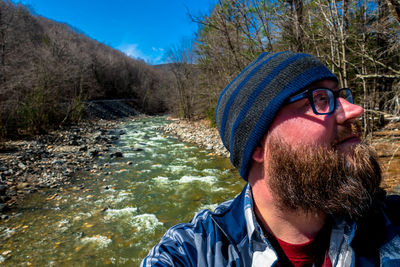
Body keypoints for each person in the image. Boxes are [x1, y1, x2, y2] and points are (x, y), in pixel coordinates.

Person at [141, 51, 400, 266]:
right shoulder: (196, 251)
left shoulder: (391, 224)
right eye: (320, 99)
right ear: (259, 145)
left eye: (342, 96)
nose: (355, 111)